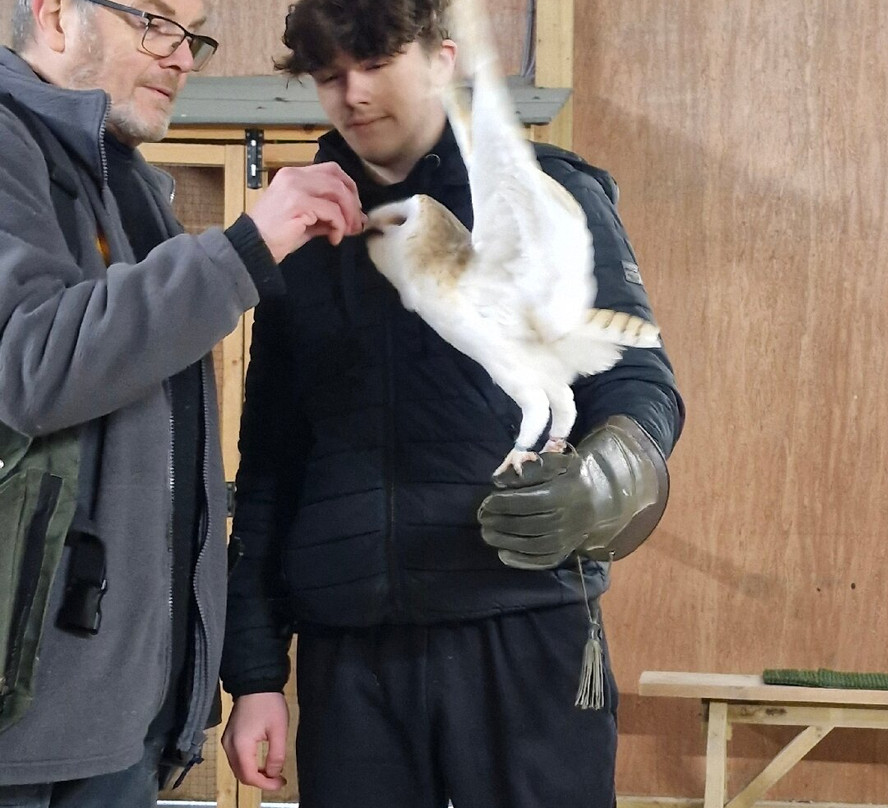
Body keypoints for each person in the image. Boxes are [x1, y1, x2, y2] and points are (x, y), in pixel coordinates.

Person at [219, 0, 684, 806]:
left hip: (524, 637)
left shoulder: (552, 192)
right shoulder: (300, 236)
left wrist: (605, 480)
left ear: (441, 58)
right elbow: (270, 466)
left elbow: (636, 381)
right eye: (330, 75)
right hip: (351, 660)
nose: (353, 94)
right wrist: (256, 674)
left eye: (375, 65)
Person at [0, 0, 364, 803]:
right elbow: (26, 362)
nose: (182, 56)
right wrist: (243, 250)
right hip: (23, 734)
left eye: (192, 34)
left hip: (116, 721)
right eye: (156, 22)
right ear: (56, 15)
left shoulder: (127, 183)